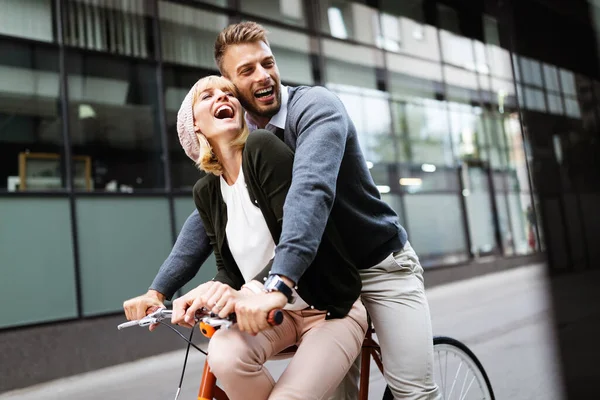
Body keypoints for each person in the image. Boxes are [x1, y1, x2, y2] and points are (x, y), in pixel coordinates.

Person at [124, 21, 440, 400]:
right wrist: (160, 289)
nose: (264, 75)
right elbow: (209, 217)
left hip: (379, 264)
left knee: (414, 392)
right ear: (232, 87)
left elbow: (310, 191)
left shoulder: (314, 108)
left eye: (267, 63)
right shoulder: (243, 143)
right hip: (315, 274)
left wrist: (276, 283)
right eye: (246, 71)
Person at [168, 74, 367, 400]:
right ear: (195, 126)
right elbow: (229, 269)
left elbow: (301, 236)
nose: (223, 97)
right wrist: (210, 293)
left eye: (228, 93)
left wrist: (254, 289)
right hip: (279, 316)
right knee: (224, 354)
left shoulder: (262, 149)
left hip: (330, 309)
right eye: (208, 96)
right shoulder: (207, 191)